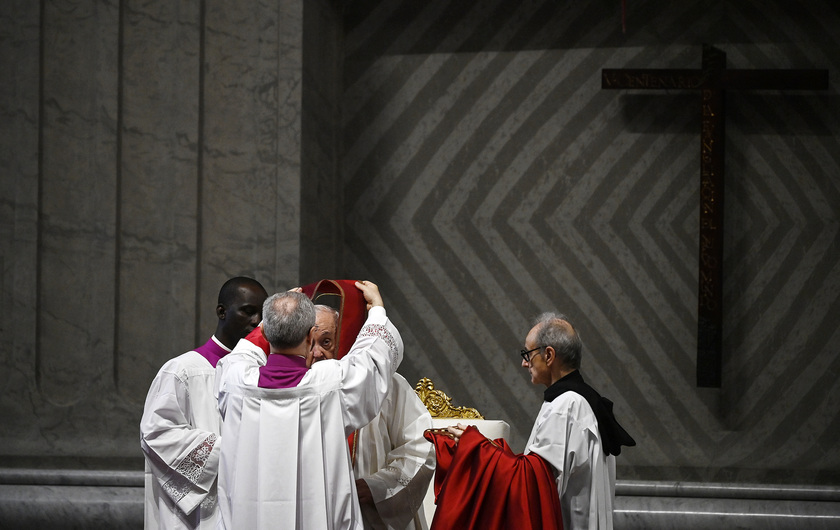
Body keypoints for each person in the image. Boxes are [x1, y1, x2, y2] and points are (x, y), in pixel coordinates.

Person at [214, 281, 404, 530]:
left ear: (267, 334)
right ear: (308, 335)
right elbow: (374, 358)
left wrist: (276, 316)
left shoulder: (235, 380)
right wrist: (376, 310)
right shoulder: (333, 384)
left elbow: (244, 352)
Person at [438, 312, 635, 530]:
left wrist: (477, 448)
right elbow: (537, 472)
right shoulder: (582, 401)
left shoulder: (567, 406)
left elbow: (533, 485)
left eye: (527, 353)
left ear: (549, 355)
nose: (524, 363)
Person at [140, 276, 268, 530]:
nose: (256, 322)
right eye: (248, 312)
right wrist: (234, 450)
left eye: (263, 314)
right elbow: (157, 434)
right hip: (196, 518)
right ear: (221, 312)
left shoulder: (262, 373)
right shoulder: (183, 370)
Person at [311, 304, 434, 530]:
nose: (317, 353)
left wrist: (377, 487)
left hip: (370, 515)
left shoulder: (385, 384)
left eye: (326, 342)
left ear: (344, 339)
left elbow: (422, 445)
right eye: (310, 342)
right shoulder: (295, 390)